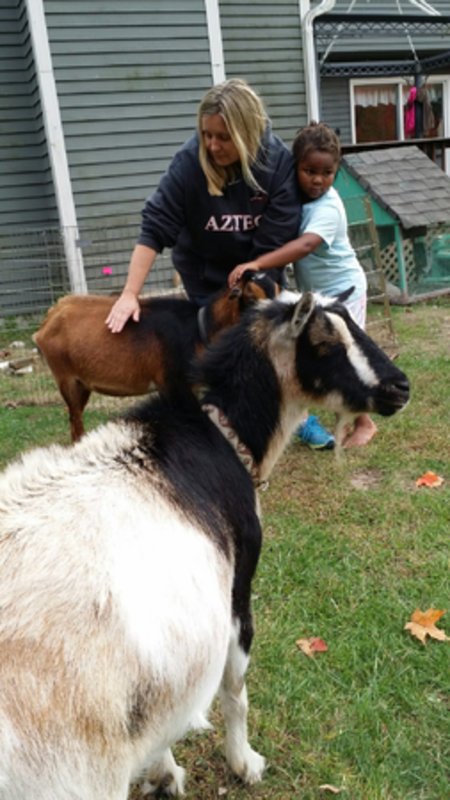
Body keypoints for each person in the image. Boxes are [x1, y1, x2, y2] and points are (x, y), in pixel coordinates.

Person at [106, 78, 301, 333]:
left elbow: (273, 243)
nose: (212, 146)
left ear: (246, 133)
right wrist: (130, 293)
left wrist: (251, 293)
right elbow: (155, 227)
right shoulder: (189, 162)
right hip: (205, 282)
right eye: (207, 135)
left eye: (224, 137)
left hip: (259, 279)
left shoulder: (278, 165)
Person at [228, 121, 377, 450]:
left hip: (345, 290)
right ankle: (316, 419)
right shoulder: (298, 199)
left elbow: (306, 244)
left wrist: (258, 263)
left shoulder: (328, 207)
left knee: (345, 357)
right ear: (295, 167)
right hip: (320, 296)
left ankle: (365, 423)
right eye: (310, 171)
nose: (318, 180)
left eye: (327, 173)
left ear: (336, 172)